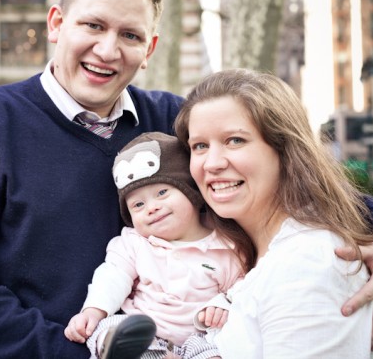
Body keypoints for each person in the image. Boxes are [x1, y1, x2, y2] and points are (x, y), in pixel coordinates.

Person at [0, 0, 373, 359]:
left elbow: (288, 178)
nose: (109, 50)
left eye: (129, 35)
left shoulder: (173, 122)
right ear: (57, 23)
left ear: (150, 48)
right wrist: (85, 355)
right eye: (93, 25)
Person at [174, 68, 373, 357]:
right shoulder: (251, 254)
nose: (211, 163)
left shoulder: (310, 261)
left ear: (285, 150)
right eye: (199, 146)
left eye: (235, 140)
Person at [65, 132, 242, 358]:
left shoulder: (225, 245)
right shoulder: (135, 243)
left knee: (219, 348)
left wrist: (222, 303)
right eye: (138, 204)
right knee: (108, 330)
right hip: (142, 331)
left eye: (162, 192)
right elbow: (113, 276)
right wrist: (94, 310)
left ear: (191, 192)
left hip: (198, 336)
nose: (151, 207)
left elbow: (242, 286)